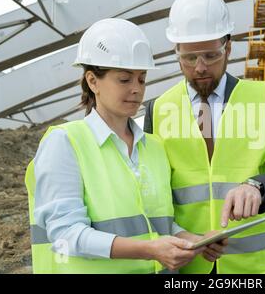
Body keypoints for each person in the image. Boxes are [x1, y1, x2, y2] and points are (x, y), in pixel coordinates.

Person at [24, 18, 226, 274]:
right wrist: (150, 250)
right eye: (124, 80)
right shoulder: (65, 143)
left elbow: (158, 225)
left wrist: (191, 239)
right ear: (92, 81)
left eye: (141, 80)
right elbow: (66, 234)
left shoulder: (154, 148)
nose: (136, 90)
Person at [144, 0, 265, 274]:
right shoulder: (158, 108)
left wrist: (258, 187)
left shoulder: (260, 98)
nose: (200, 68)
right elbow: (149, 189)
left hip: (252, 268)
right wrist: (179, 236)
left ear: (229, 48)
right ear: (177, 53)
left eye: (210, 56)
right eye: (189, 58)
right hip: (185, 266)